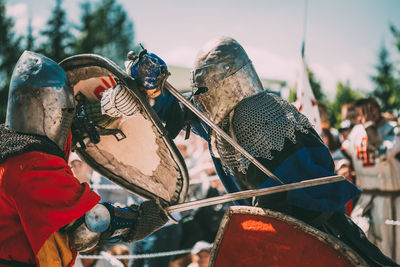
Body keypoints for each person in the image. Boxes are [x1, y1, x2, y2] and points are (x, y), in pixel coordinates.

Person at [120, 37, 397, 266]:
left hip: (308, 230)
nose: (200, 98)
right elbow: (187, 110)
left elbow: (301, 186)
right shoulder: (228, 123)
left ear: (225, 81)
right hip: (278, 232)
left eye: (203, 89)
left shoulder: (255, 115)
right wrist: (157, 88)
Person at [0, 51, 169, 266]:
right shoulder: (31, 163)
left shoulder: (9, 146)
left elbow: (79, 126)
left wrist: (120, 100)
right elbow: (86, 226)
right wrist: (138, 219)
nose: (68, 119)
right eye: (67, 111)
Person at [341, 97, 400, 262]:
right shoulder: (356, 132)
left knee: (390, 252)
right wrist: (344, 166)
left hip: (390, 201)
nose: (359, 117)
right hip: (365, 198)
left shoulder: (394, 130)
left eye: (362, 111)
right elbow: (344, 154)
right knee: (359, 245)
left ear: (374, 110)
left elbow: (383, 153)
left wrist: (369, 127)